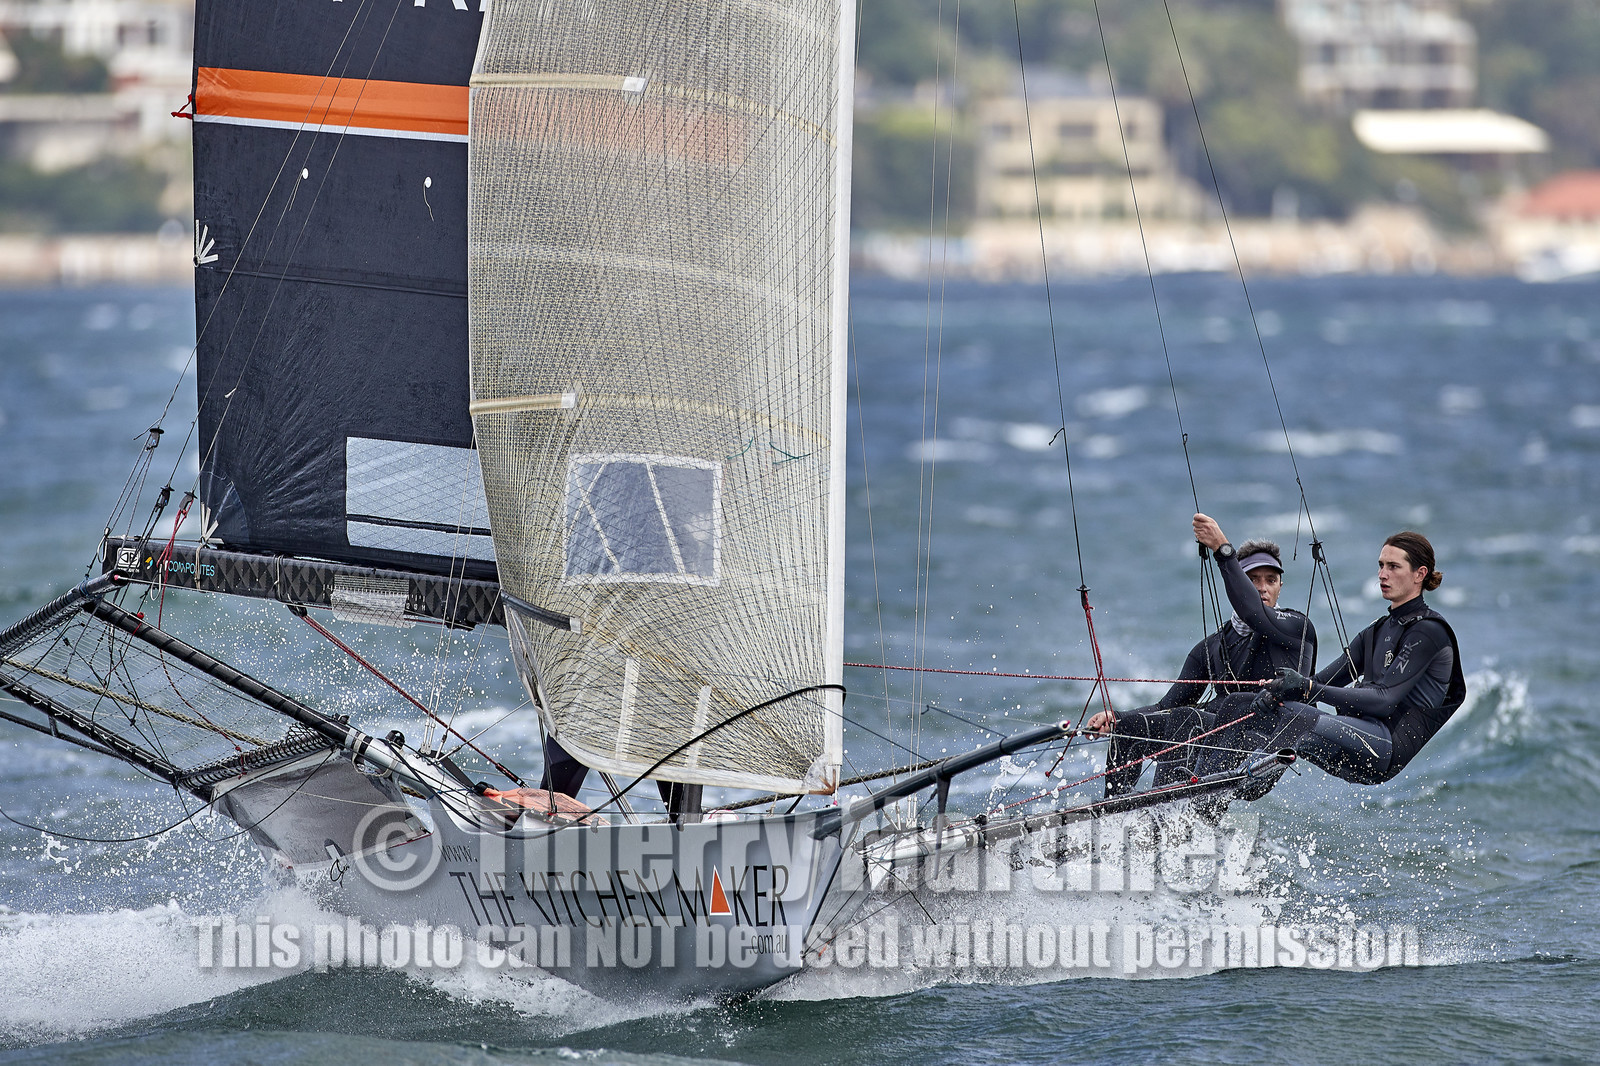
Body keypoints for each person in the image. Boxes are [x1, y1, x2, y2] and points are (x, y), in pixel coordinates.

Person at [1086, 513, 1317, 795]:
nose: (1262, 587)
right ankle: (1112, 815)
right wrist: (1116, 718)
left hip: (1265, 745)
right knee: (1130, 727)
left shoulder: (1295, 628)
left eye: (1271, 580)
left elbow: (1254, 613)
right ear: (1237, 585)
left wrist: (1223, 548)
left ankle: (1168, 816)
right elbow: (1165, 707)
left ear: (1281, 586)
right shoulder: (1213, 646)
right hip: (1219, 739)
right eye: (1252, 579)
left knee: (1187, 718)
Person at [1242, 530, 1466, 785]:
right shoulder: (1377, 631)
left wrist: (1308, 687)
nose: (1382, 574)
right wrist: (1278, 692)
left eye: (1393, 566)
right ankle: (1208, 782)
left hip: (1383, 749)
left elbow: (1384, 700)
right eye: (1381, 566)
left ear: (1420, 574)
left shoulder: (1428, 631)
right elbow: (1320, 682)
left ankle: (1234, 781)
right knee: (1258, 707)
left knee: (1296, 717)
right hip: (1357, 738)